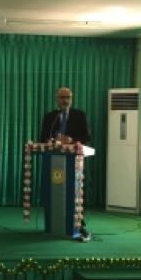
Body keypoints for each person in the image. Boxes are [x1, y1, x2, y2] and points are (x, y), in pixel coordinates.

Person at [40, 87, 92, 242]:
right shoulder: (50, 117)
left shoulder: (79, 115)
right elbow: (43, 137)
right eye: (62, 97)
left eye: (68, 97)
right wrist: (52, 141)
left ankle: (77, 222)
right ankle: (55, 222)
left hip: (74, 161)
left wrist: (72, 140)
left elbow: (87, 136)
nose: (65, 100)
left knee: (73, 190)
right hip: (55, 160)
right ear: (56, 98)